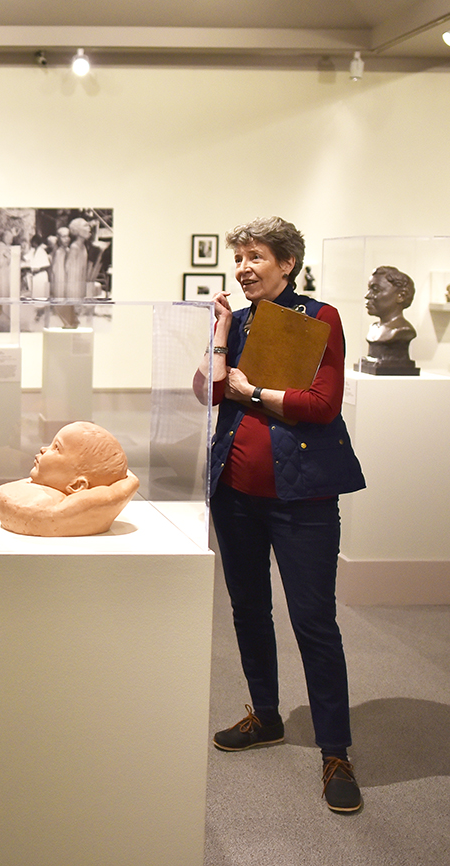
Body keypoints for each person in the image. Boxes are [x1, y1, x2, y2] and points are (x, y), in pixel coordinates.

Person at [194, 216, 366, 815]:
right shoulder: (239, 322)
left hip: (303, 500)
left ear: (286, 263)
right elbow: (208, 392)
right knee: (248, 610)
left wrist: (253, 394)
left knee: (314, 622)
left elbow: (321, 406)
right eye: (238, 257)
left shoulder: (318, 319)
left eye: (255, 256)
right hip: (235, 496)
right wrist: (219, 330)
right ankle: (266, 716)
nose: (243, 267)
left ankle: (335, 750)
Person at [0, 421, 139, 536]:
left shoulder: (55, 507)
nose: (43, 449)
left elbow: (112, 494)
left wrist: (128, 482)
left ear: (77, 486)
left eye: (56, 448)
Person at [362, 265, 416, 344]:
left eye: (376, 290)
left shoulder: (402, 330)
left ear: (401, 296)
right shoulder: (373, 327)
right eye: (369, 289)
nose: (367, 296)